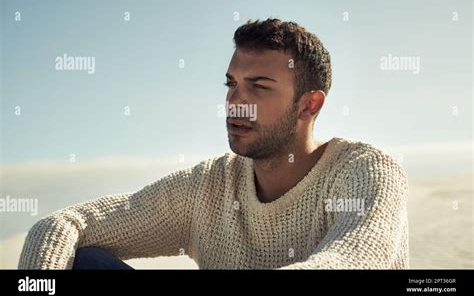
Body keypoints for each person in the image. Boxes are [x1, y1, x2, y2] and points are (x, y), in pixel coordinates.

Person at [18, 19, 409, 270]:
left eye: (258, 87)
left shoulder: (366, 171)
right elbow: (64, 224)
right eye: (231, 84)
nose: (235, 101)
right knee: (85, 262)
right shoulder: (210, 185)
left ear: (309, 104)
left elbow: (353, 260)